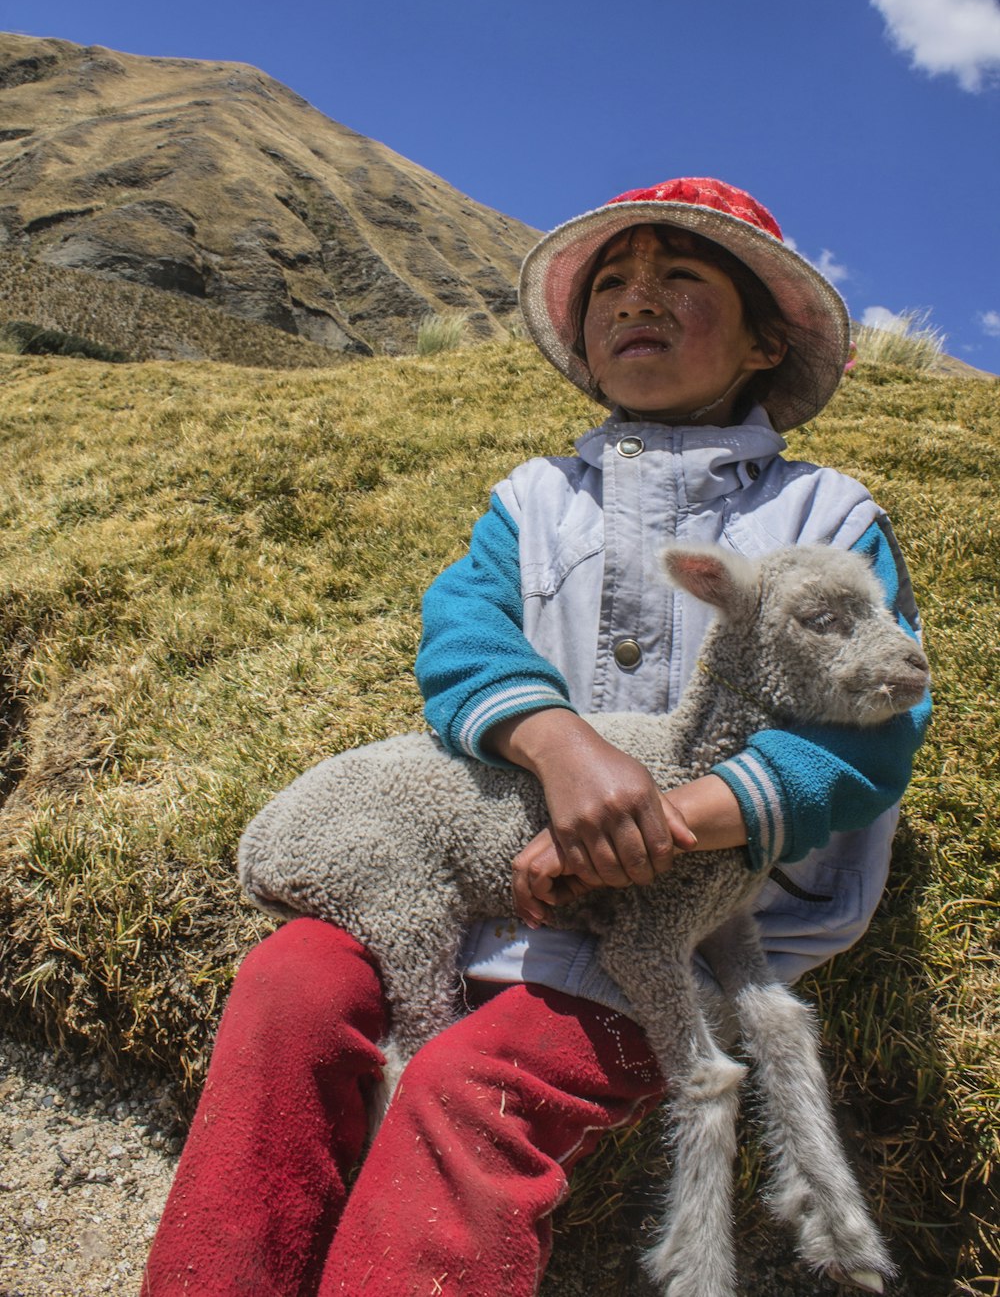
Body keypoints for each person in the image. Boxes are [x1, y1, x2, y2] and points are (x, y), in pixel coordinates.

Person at [142, 176, 929, 1297]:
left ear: (764, 342)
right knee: (288, 991)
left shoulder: (826, 520)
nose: (634, 299)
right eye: (610, 281)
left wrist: (667, 821)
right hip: (486, 882)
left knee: (471, 1091)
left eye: (681, 278)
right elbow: (460, 641)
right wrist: (561, 748)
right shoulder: (532, 502)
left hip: (681, 924)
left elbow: (876, 724)